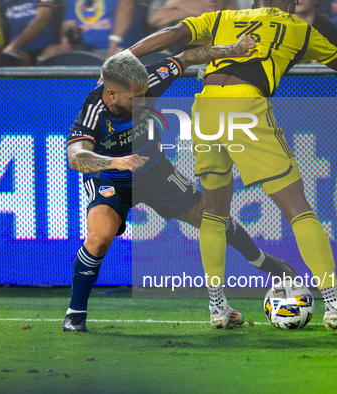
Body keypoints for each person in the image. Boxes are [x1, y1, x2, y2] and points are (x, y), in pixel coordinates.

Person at [128, 0, 337, 334]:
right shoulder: (299, 27)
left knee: (214, 214)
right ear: (290, 2)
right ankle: (335, 306)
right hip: (245, 105)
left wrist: (124, 58)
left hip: (204, 109)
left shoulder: (223, 17)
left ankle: (218, 308)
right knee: (299, 211)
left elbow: (172, 33)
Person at [64, 37, 297, 332]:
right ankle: (75, 313)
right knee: (98, 239)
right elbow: (76, 156)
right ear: (111, 94)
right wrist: (115, 162)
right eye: (136, 97)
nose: (144, 100)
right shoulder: (94, 110)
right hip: (112, 178)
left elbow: (188, 55)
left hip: (156, 172)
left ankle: (263, 262)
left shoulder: (146, 81)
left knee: (214, 218)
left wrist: (231, 50)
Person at [0, 0, 61, 65]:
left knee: (52, 55)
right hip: (19, 51)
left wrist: (13, 46)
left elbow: (42, 21)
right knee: (9, 58)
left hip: (47, 46)